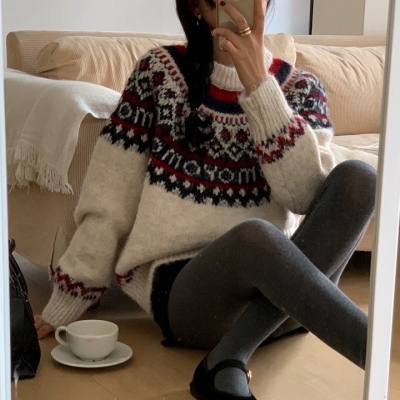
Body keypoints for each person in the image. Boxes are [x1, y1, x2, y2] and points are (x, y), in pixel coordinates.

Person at [35, 0, 376, 399]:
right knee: (255, 237)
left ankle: (229, 356)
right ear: (197, 6)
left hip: (281, 296)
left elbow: (304, 198)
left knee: (361, 179)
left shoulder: (303, 88)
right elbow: (109, 199)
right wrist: (69, 298)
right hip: (190, 297)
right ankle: (378, 351)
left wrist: (259, 87)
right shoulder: (159, 74)